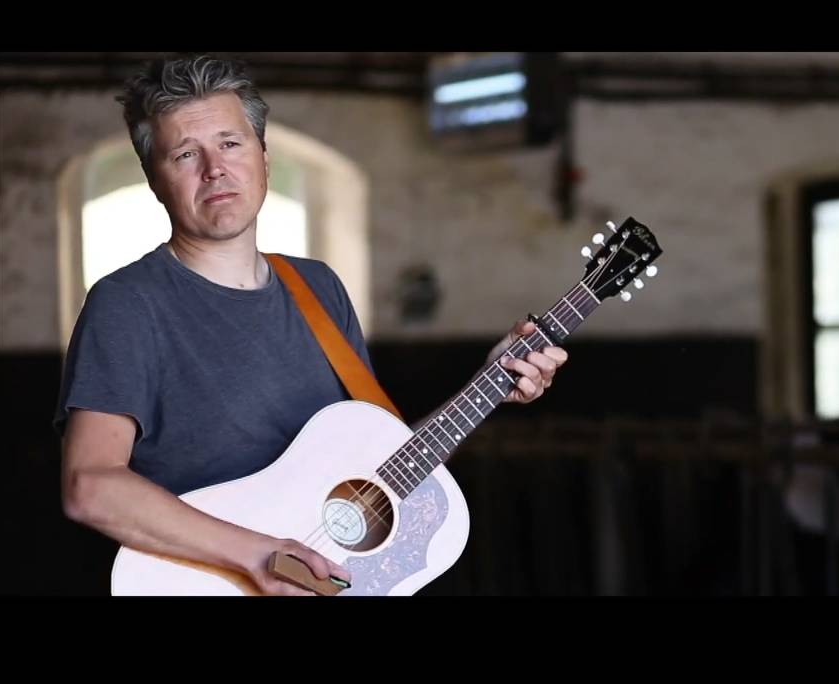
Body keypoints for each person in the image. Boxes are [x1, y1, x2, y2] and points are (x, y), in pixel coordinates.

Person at [54, 54, 568, 596]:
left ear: (264, 158)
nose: (214, 169)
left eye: (231, 143)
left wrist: (487, 385)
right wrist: (261, 556)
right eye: (185, 154)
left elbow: (377, 477)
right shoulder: (127, 304)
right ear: (156, 178)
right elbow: (90, 486)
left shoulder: (318, 289)